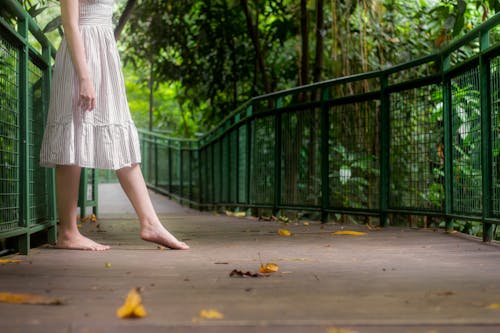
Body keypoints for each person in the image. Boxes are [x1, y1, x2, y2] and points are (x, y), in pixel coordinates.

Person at [40, 0, 189, 251]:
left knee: (118, 132)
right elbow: (70, 24)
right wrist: (85, 78)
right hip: (83, 59)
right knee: (72, 137)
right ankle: (68, 232)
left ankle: (150, 222)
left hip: (103, 53)